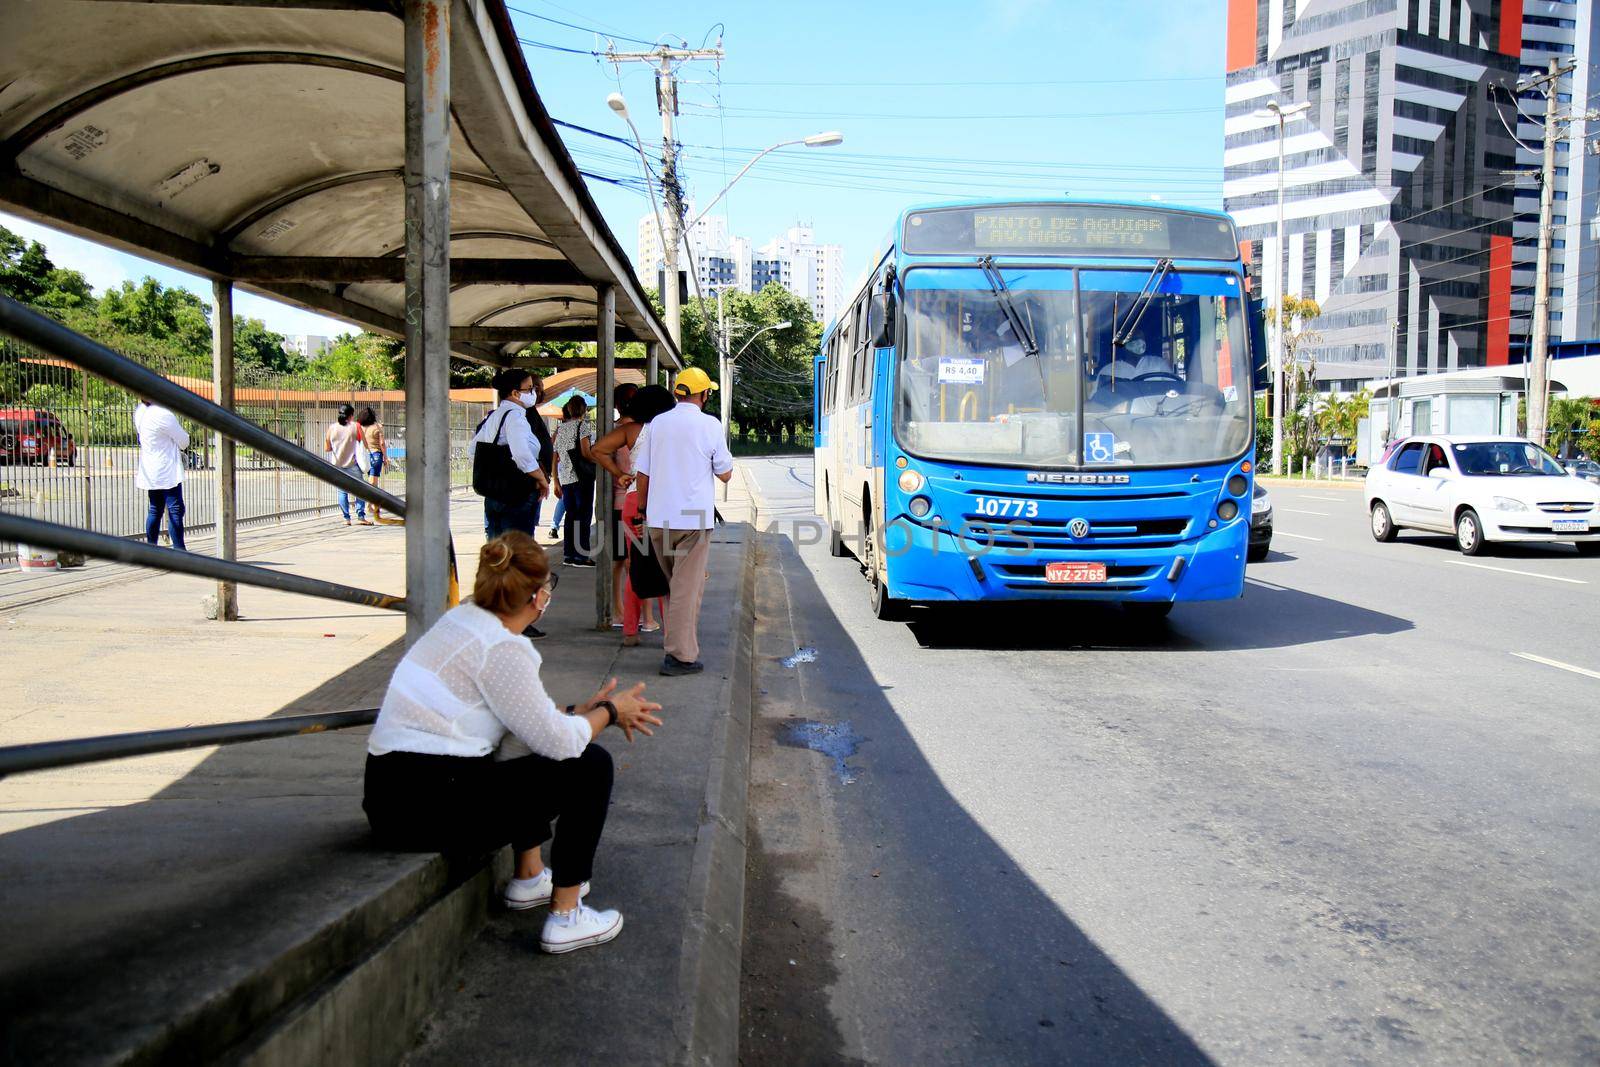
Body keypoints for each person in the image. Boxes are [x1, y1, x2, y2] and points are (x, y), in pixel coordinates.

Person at [363, 532, 663, 954]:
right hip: (429, 805)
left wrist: (581, 710)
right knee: (590, 766)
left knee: (523, 746)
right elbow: (560, 744)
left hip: (392, 796)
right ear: (539, 597)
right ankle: (565, 915)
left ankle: (529, 874)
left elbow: (523, 721)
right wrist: (609, 713)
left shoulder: (463, 619)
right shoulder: (502, 649)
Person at [633, 367, 734, 676]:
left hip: (659, 519)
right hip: (693, 521)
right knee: (686, 591)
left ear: (678, 392)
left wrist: (641, 511)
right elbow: (725, 472)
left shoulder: (657, 423)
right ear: (703, 395)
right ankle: (679, 656)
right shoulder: (709, 425)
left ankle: (677, 645)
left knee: (675, 587)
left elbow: (643, 474)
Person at [594, 384, 676, 642]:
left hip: (632, 502)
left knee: (637, 566)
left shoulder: (630, 431)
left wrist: (620, 475)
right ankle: (671, 633)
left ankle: (630, 631)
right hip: (662, 502)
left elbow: (597, 450)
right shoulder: (672, 431)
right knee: (667, 569)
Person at [134, 398, 189, 551]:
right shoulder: (163, 414)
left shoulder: (140, 411)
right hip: (167, 470)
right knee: (175, 510)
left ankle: (151, 548)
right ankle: (180, 551)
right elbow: (184, 441)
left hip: (150, 469)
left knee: (155, 509)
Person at [552, 396, 597, 567]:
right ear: (584, 409)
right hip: (582, 478)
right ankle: (582, 555)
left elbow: (554, 457)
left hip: (566, 479)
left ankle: (569, 554)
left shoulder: (561, 429)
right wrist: (599, 459)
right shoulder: (582, 426)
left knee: (570, 517)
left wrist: (556, 480)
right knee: (583, 517)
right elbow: (585, 453)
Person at [325, 403, 371, 526]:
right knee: (360, 489)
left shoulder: (331, 428)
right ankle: (361, 516)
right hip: (352, 464)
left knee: (342, 491)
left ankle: (346, 518)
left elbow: (327, 448)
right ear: (351, 415)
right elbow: (365, 444)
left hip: (337, 465)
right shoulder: (356, 426)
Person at [356, 407, 388, 523]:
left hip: (365, 455)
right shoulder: (377, 427)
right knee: (373, 482)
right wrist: (386, 457)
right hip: (376, 455)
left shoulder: (361, 427)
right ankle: (370, 504)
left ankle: (369, 504)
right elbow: (382, 443)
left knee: (368, 480)